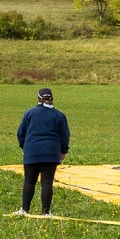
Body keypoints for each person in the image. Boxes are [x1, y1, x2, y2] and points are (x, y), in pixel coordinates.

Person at [14, 88, 70, 216]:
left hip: (31, 153)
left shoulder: (29, 113)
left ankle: (25, 210)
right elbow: (65, 136)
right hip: (51, 154)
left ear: (38, 98)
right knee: (47, 183)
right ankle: (46, 212)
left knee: (29, 181)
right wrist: (63, 151)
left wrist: (26, 147)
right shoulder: (59, 115)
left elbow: (20, 133)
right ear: (52, 98)